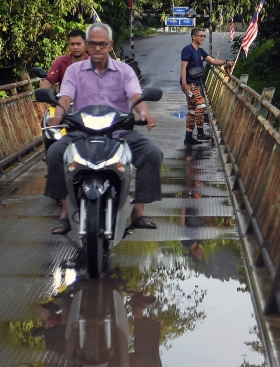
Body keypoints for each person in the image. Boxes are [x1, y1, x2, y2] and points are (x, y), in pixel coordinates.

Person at [45, 22, 163, 234]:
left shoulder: (124, 71)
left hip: (119, 132)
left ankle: (138, 210)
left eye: (102, 44)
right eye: (93, 44)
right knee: (54, 153)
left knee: (152, 153)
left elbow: (136, 95)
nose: (97, 48)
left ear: (110, 45)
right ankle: (64, 212)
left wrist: (144, 114)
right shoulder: (73, 71)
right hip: (81, 132)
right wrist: (58, 115)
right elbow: (65, 97)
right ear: (87, 46)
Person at [181, 27, 233, 145]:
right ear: (194, 37)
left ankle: (188, 137)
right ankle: (200, 132)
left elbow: (213, 61)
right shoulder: (187, 50)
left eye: (204, 36)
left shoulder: (200, 51)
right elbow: (183, 67)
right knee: (201, 104)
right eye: (201, 36)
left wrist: (226, 62)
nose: (203, 38)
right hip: (189, 84)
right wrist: (184, 83)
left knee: (192, 110)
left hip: (196, 84)